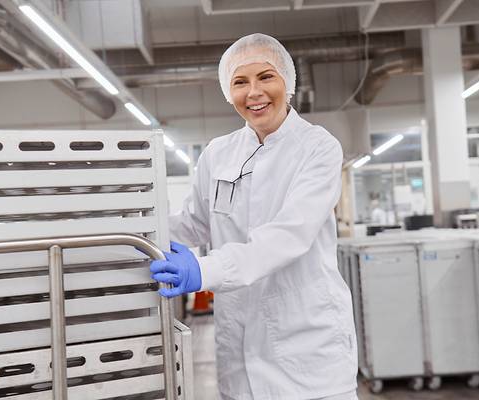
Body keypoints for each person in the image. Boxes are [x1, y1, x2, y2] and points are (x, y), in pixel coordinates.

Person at [151, 33, 358, 400]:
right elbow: (194, 223)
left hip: (308, 351)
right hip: (239, 353)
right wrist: (139, 233)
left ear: (288, 83)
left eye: (266, 77)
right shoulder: (218, 153)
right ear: (227, 92)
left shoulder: (318, 147)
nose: (254, 92)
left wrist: (205, 270)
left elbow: (288, 236)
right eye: (240, 82)